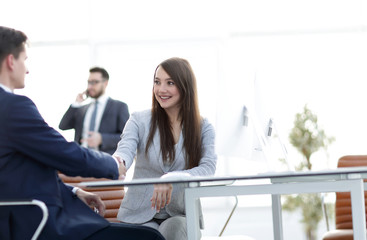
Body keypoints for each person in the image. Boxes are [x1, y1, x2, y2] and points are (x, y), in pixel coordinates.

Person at [0, 26, 164, 240]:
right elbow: (60, 150)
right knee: (150, 238)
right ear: (11, 61)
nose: (27, 69)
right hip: (36, 222)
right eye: (25, 59)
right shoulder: (13, 107)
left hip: (21, 214)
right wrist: (113, 165)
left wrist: (74, 191)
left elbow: (18, 171)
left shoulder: (118, 106)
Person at [113, 57, 217, 240]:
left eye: (170, 83)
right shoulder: (139, 120)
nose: (161, 90)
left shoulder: (203, 126)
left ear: (185, 86)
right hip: (138, 214)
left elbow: (208, 168)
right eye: (157, 82)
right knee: (149, 235)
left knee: (174, 229)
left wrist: (172, 178)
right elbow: (125, 150)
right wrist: (118, 162)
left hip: (180, 213)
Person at [59, 67, 129, 155]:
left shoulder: (119, 106)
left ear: (105, 83)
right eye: (89, 82)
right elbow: (63, 126)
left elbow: (126, 137)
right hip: (80, 158)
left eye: (95, 82)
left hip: (104, 161)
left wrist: (102, 139)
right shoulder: (82, 109)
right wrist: (76, 103)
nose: (90, 86)